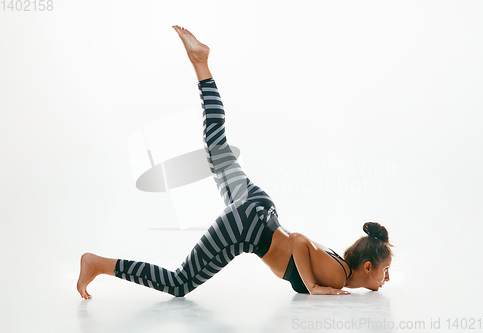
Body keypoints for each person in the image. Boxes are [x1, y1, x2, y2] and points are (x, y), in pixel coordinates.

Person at [76, 26, 393, 299]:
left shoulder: (339, 267)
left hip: (257, 205)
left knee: (216, 145)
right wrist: (312, 286)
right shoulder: (337, 276)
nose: (387, 278)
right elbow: (298, 240)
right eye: (386, 271)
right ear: (368, 267)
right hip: (248, 228)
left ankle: (201, 63)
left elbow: (300, 244)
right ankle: (98, 264)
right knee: (179, 284)